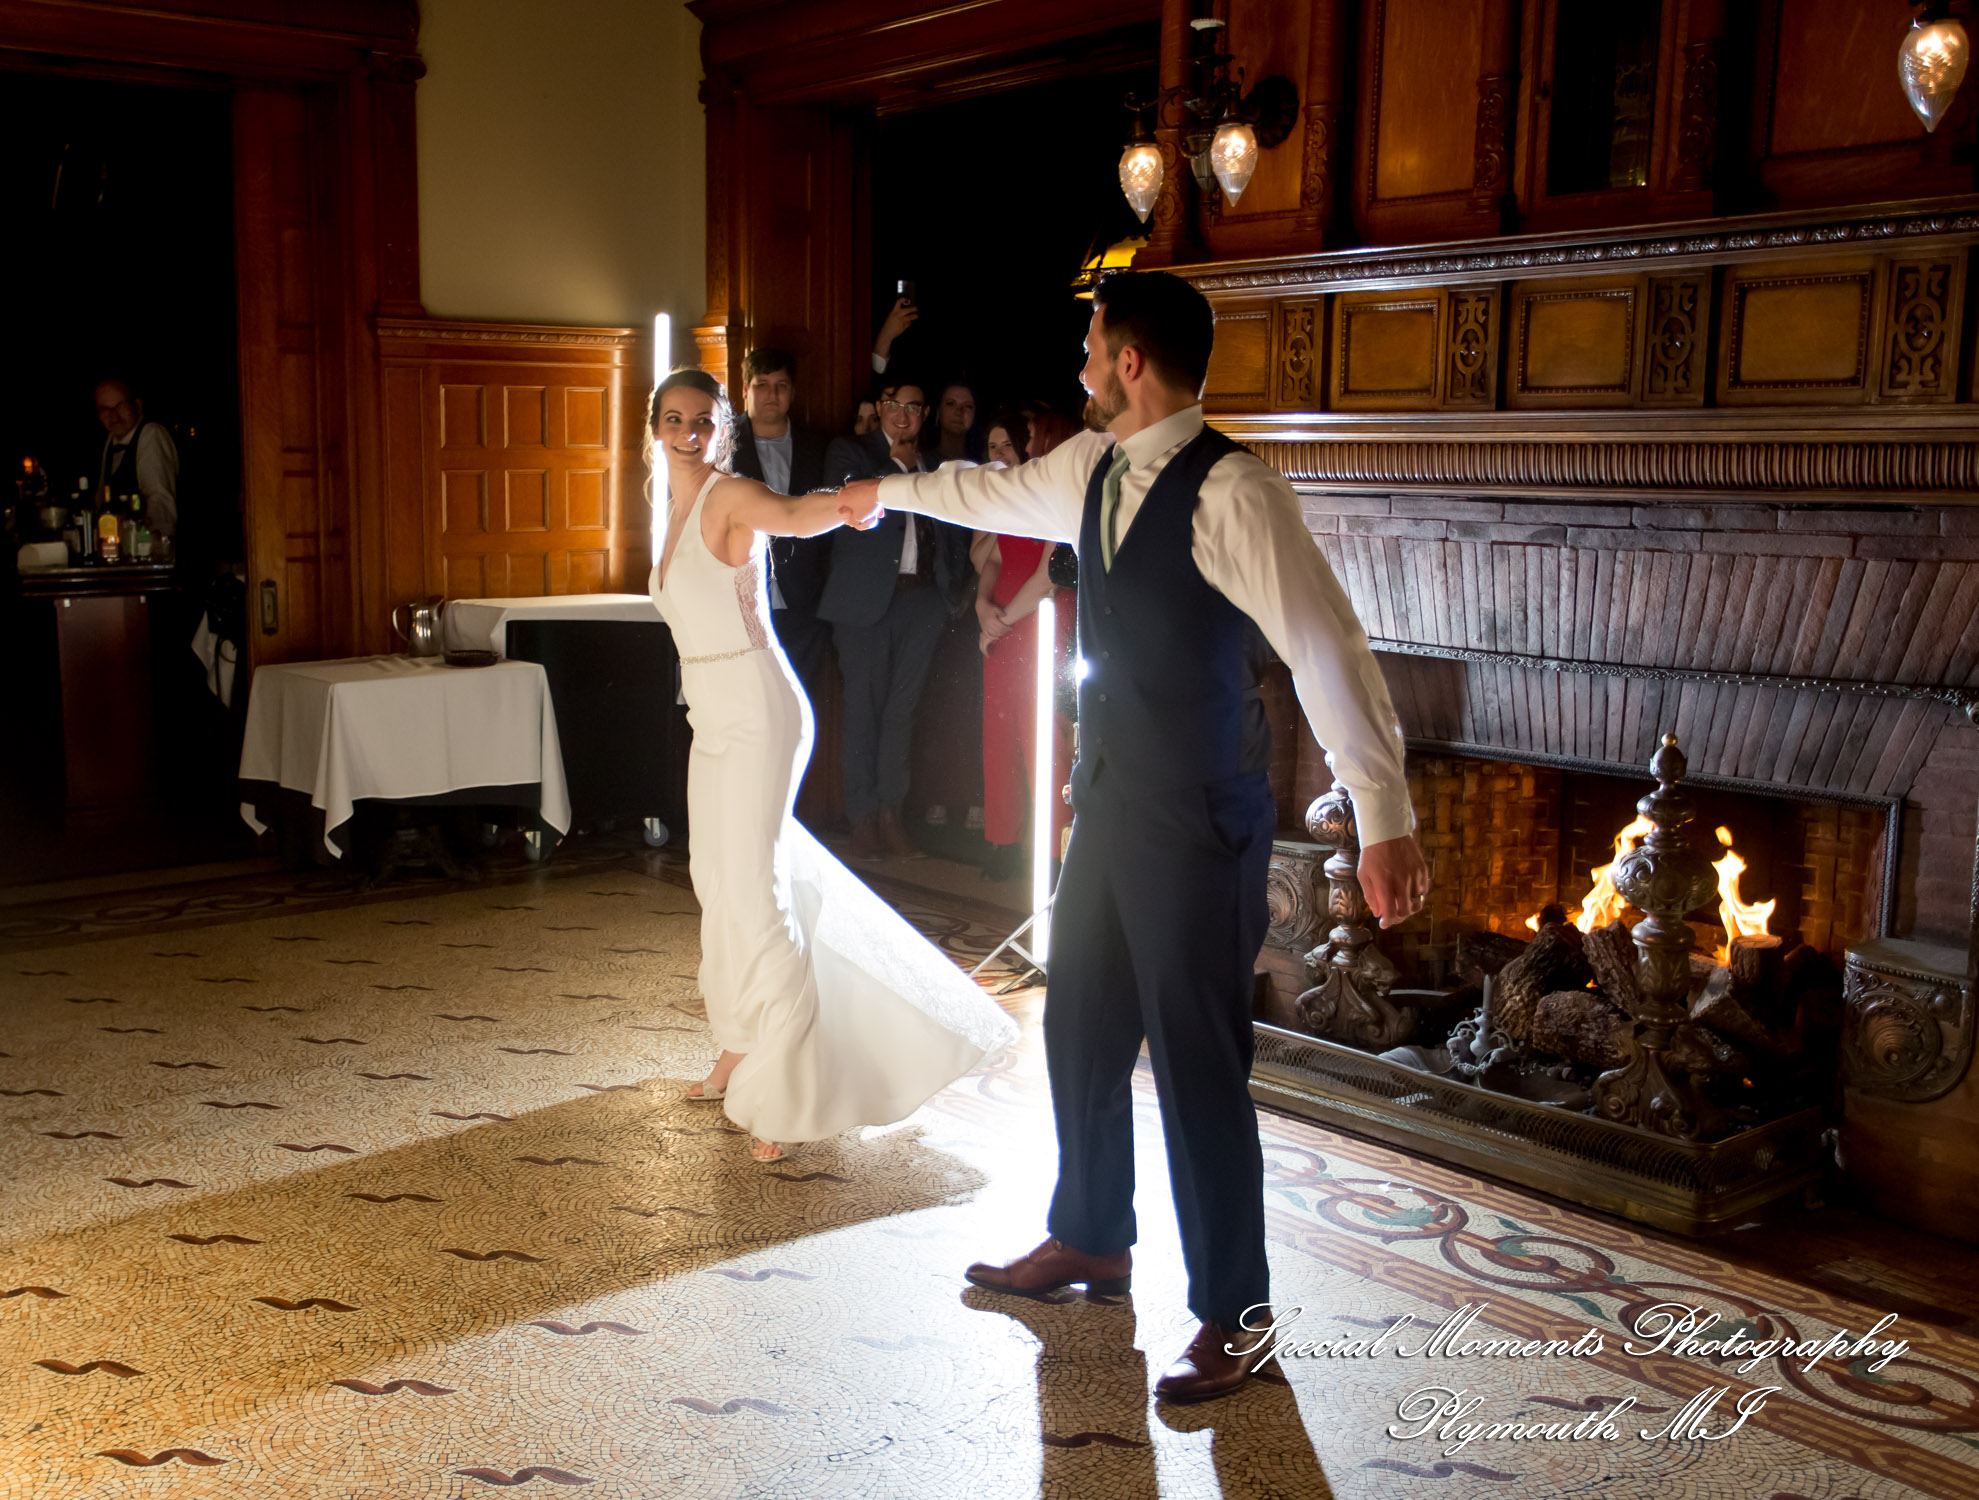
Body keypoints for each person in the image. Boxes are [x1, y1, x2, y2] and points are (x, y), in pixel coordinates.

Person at [838, 270, 1430, 1404]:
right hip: (1108, 807)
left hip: (1200, 819)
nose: (1076, 364)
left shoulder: (1236, 493)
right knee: (1081, 1026)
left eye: (1089, 344)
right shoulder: (1092, 467)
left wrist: (1381, 816)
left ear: (1128, 362)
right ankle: (1092, 1238)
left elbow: (1328, 649)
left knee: (1198, 1063)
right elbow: (982, 490)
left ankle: (1237, 1317)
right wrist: (879, 492)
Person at [644, 368, 1018, 1162]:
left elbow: (793, 513)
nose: (687, 434)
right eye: (674, 420)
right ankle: (739, 1039)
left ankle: (786, 1084)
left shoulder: (730, 495)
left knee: (755, 887)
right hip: (710, 717)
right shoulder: (668, 509)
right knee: (717, 878)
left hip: (758, 710)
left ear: (722, 430)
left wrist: (852, 503)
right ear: (655, 429)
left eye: (702, 421)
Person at [818, 379, 973, 862]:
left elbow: (951, 529)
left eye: (913, 407)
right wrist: (900, 467)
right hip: (864, 604)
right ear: (881, 408)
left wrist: (951, 592)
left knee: (901, 712)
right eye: (894, 405)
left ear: (925, 414)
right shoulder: (851, 453)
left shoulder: (933, 463)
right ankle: (863, 819)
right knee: (863, 710)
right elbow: (848, 502)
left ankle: (892, 816)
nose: (903, 416)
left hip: (922, 601)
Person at [972, 415, 1071, 885]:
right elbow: (990, 557)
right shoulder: (1014, 497)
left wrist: (1002, 620)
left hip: (1039, 621)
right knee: (1000, 733)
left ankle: (1052, 852)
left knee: (1044, 738)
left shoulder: (1058, 497)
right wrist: (982, 605)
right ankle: (1003, 842)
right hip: (1001, 621)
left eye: (1021, 442)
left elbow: (1050, 574)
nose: (1019, 451)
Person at [730, 347, 832, 692]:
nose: (772, 395)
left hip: (803, 604)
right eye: (761, 385)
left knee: (798, 705)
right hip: (740, 604)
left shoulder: (817, 447)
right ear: (745, 390)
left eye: (781, 386)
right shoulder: (722, 447)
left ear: (793, 392)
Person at [94, 378, 179, 539]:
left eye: (121, 406)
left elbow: (160, 502)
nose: (114, 415)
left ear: (137, 406)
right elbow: (101, 499)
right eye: (105, 410)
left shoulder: (151, 434)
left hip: (146, 545)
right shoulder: (110, 440)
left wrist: (153, 545)